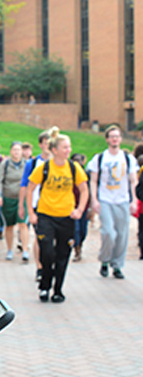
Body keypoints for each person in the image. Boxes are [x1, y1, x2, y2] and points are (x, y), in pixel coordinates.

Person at [26, 127, 88, 303]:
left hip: (66, 217)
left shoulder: (74, 168)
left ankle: (58, 290)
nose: (68, 150)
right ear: (55, 150)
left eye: (69, 147)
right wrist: (31, 212)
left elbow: (84, 189)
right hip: (46, 215)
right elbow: (30, 188)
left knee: (63, 255)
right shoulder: (45, 168)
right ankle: (45, 286)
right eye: (65, 147)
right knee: (47, 252)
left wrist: (80, 210)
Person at [87, 124, 138, 279]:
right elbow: (93, 181)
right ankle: (104, 260)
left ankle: (117, 265)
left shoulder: (128, 159)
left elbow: (133, 181)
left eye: (117, 136)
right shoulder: (100, 159)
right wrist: (94, 200)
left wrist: (134, 200)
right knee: (108, 232)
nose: (115, 139)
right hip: (105, 200)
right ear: (107, 139)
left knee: (122, 234)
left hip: (122, 199)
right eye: (112, 136)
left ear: (120, 139)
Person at [19, 130, 51, 284]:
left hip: (56, 207)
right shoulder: (33, 164)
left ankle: (49, 265)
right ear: (40, 145)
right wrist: (23, 206)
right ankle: (40, 266)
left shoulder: (62, 163)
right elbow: (25, 185)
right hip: (38, 205)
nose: (48, 147)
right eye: (45, 143)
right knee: (40, 238)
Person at [0, 141, 28, 261]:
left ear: (22, 152)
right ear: (11, 151)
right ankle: (9, 249)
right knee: (9, 226)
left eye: (18, 150)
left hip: (22, 198)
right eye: (14, 150)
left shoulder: (26, 164)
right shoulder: (5, 164)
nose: (16, 152)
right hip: (8, 197)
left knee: (23, 224)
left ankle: (25, 250)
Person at [71, 153, 91, 261]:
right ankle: (77, 249)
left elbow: (90, 192)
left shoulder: (86, 174)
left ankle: (80, 244)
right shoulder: (69, 174)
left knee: (83, 230)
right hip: (72, 206)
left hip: (84, 206)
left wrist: (90, 208)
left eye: (79, 160)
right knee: (76, 229)